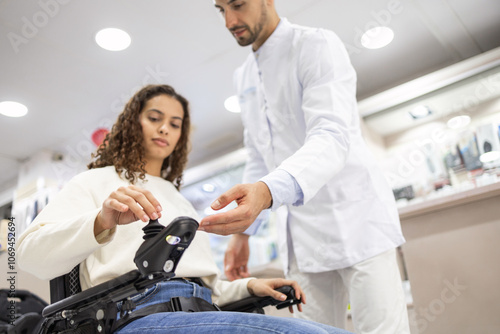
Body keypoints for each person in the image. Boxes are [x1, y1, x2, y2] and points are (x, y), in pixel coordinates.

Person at [17, 84, 351, 334]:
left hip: (199, 308)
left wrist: (248, 287)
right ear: (132, 123)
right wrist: (102, 219)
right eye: (154, 118)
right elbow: (30, 254)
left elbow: (206, 286)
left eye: (175, 124)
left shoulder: (179, 199)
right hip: (135, 316)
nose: (165, 128)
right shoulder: (95, 182)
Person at [200, 1, 411, 333]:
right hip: (303, 239)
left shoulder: (315, 45)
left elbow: (331, 134)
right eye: (221, 9)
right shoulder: (243, 77)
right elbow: (259, 155)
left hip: (358, 224)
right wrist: (242, 234)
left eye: (237, 5)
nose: (229, 20)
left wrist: (268, 191)